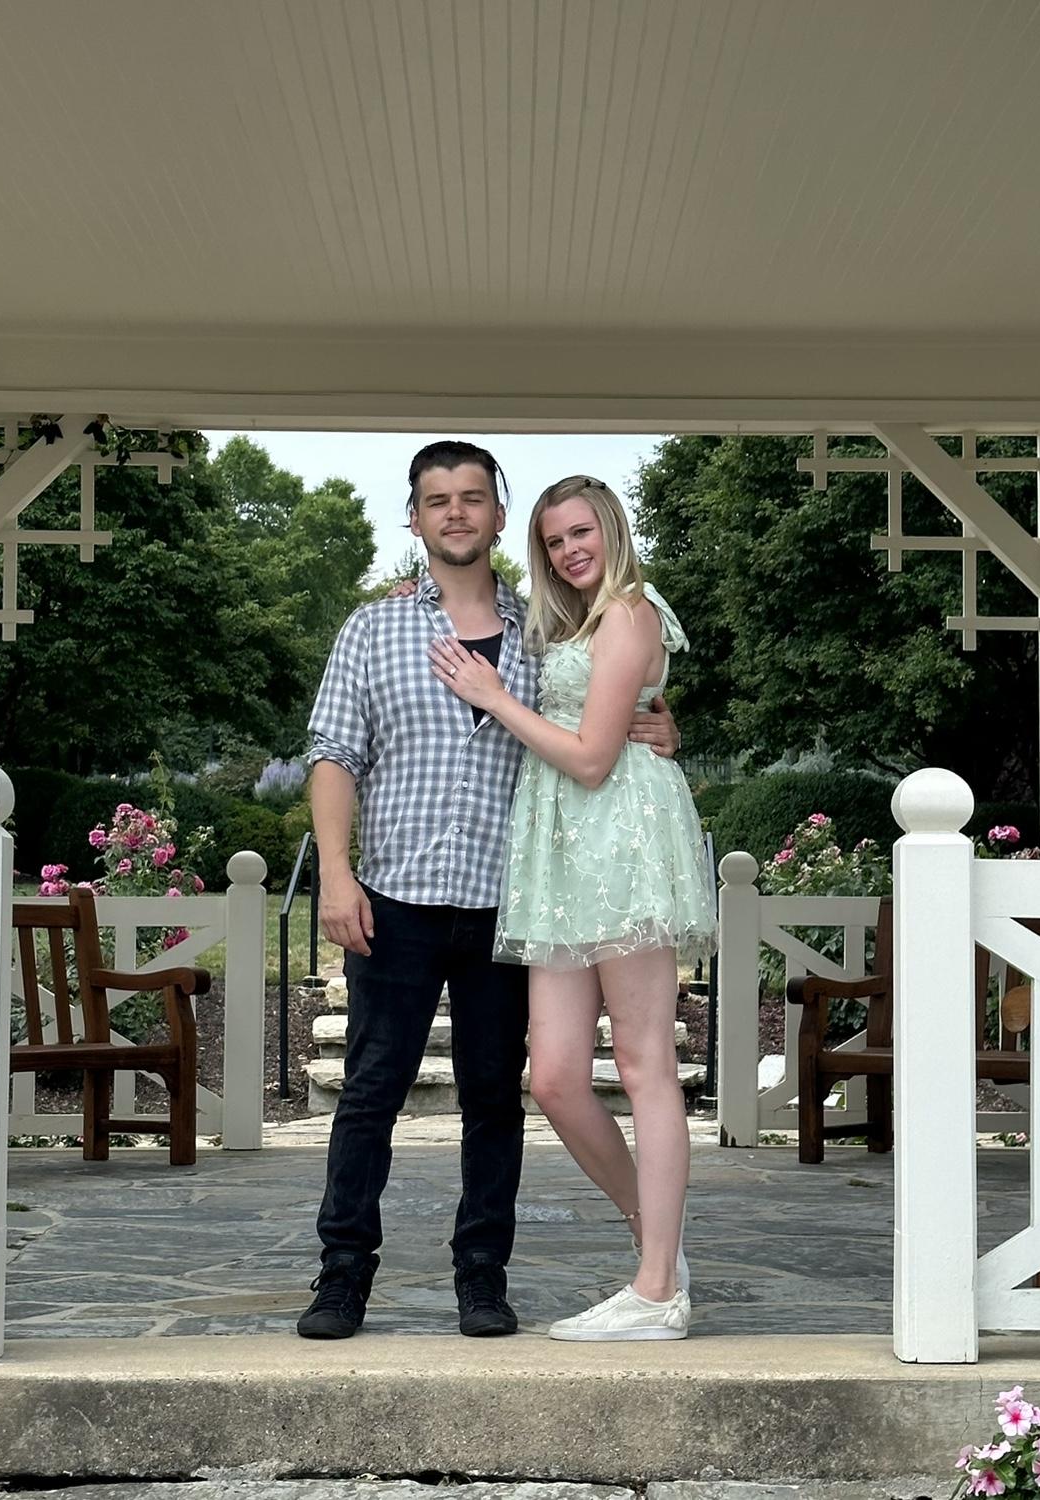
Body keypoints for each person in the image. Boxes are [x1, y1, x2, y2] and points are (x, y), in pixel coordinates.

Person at [297, 442, 678, 1341]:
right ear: (416, 517)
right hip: (394, 895)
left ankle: (483, 1279)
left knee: (496, 1099)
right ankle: (342, 1277)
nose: (457, 513)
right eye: (438, 501)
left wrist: (662, 726)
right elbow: (333, 753)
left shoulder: (547, 628)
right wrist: (336, 874)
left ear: (500, 517)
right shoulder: (373, 629)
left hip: (510, 900)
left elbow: (608, 705)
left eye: (473, 498)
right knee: (370, 1093)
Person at [428, 475, 716, 1341]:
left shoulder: (628, 611)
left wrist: (494, 698)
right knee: (553, 1076)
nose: (568, 551)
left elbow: (593, 759)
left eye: (581, 533)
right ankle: (656, 1241)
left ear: (612, 529)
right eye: (554, 541)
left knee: (642, 1062)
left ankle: (655, 1289)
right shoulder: (574, 620)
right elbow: (620, 715)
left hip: (620, 839)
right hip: (562, 854)